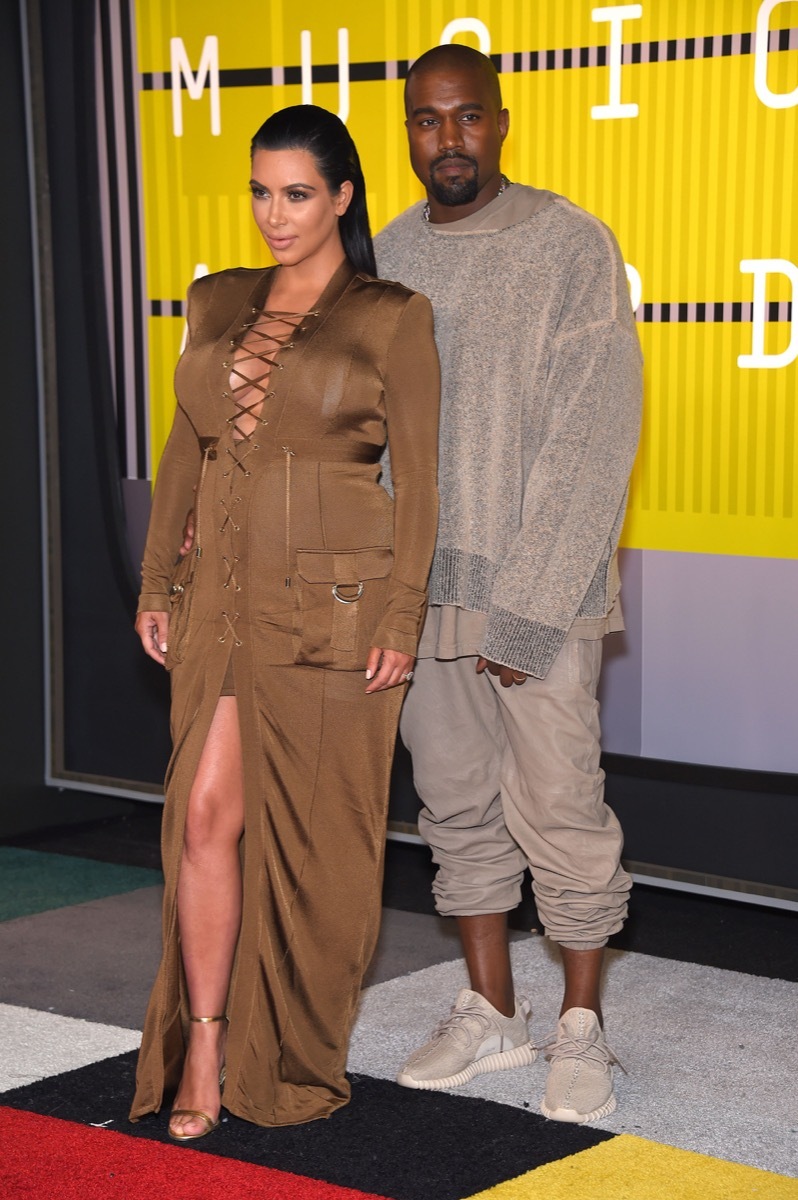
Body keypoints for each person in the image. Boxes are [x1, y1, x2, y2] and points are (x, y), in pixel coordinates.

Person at [130, 104, 439, 1138]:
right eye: (262, 190)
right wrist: (155, 579)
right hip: (218, 595)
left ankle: (294, 1049)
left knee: (321, 844)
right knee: (206, 816)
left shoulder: (394, 314)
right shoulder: (216, 299)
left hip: (336, 609)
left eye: (297, 193)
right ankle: (207, 1041)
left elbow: (425, 487)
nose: (275, 212)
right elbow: (189, 446)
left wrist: (405, 610)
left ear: (343, 197)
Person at [375, 44, 642, 1123]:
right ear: (409, 133)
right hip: (422, 599)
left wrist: (527, 614)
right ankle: (493, 1010)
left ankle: (581, 1026)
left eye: (467, 117)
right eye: (427, 122)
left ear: (501, 122)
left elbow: (596, 434)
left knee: (564, 809)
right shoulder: (384, 253)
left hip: (543, 593)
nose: (449, 138)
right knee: (456, 809)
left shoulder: (570, 245)